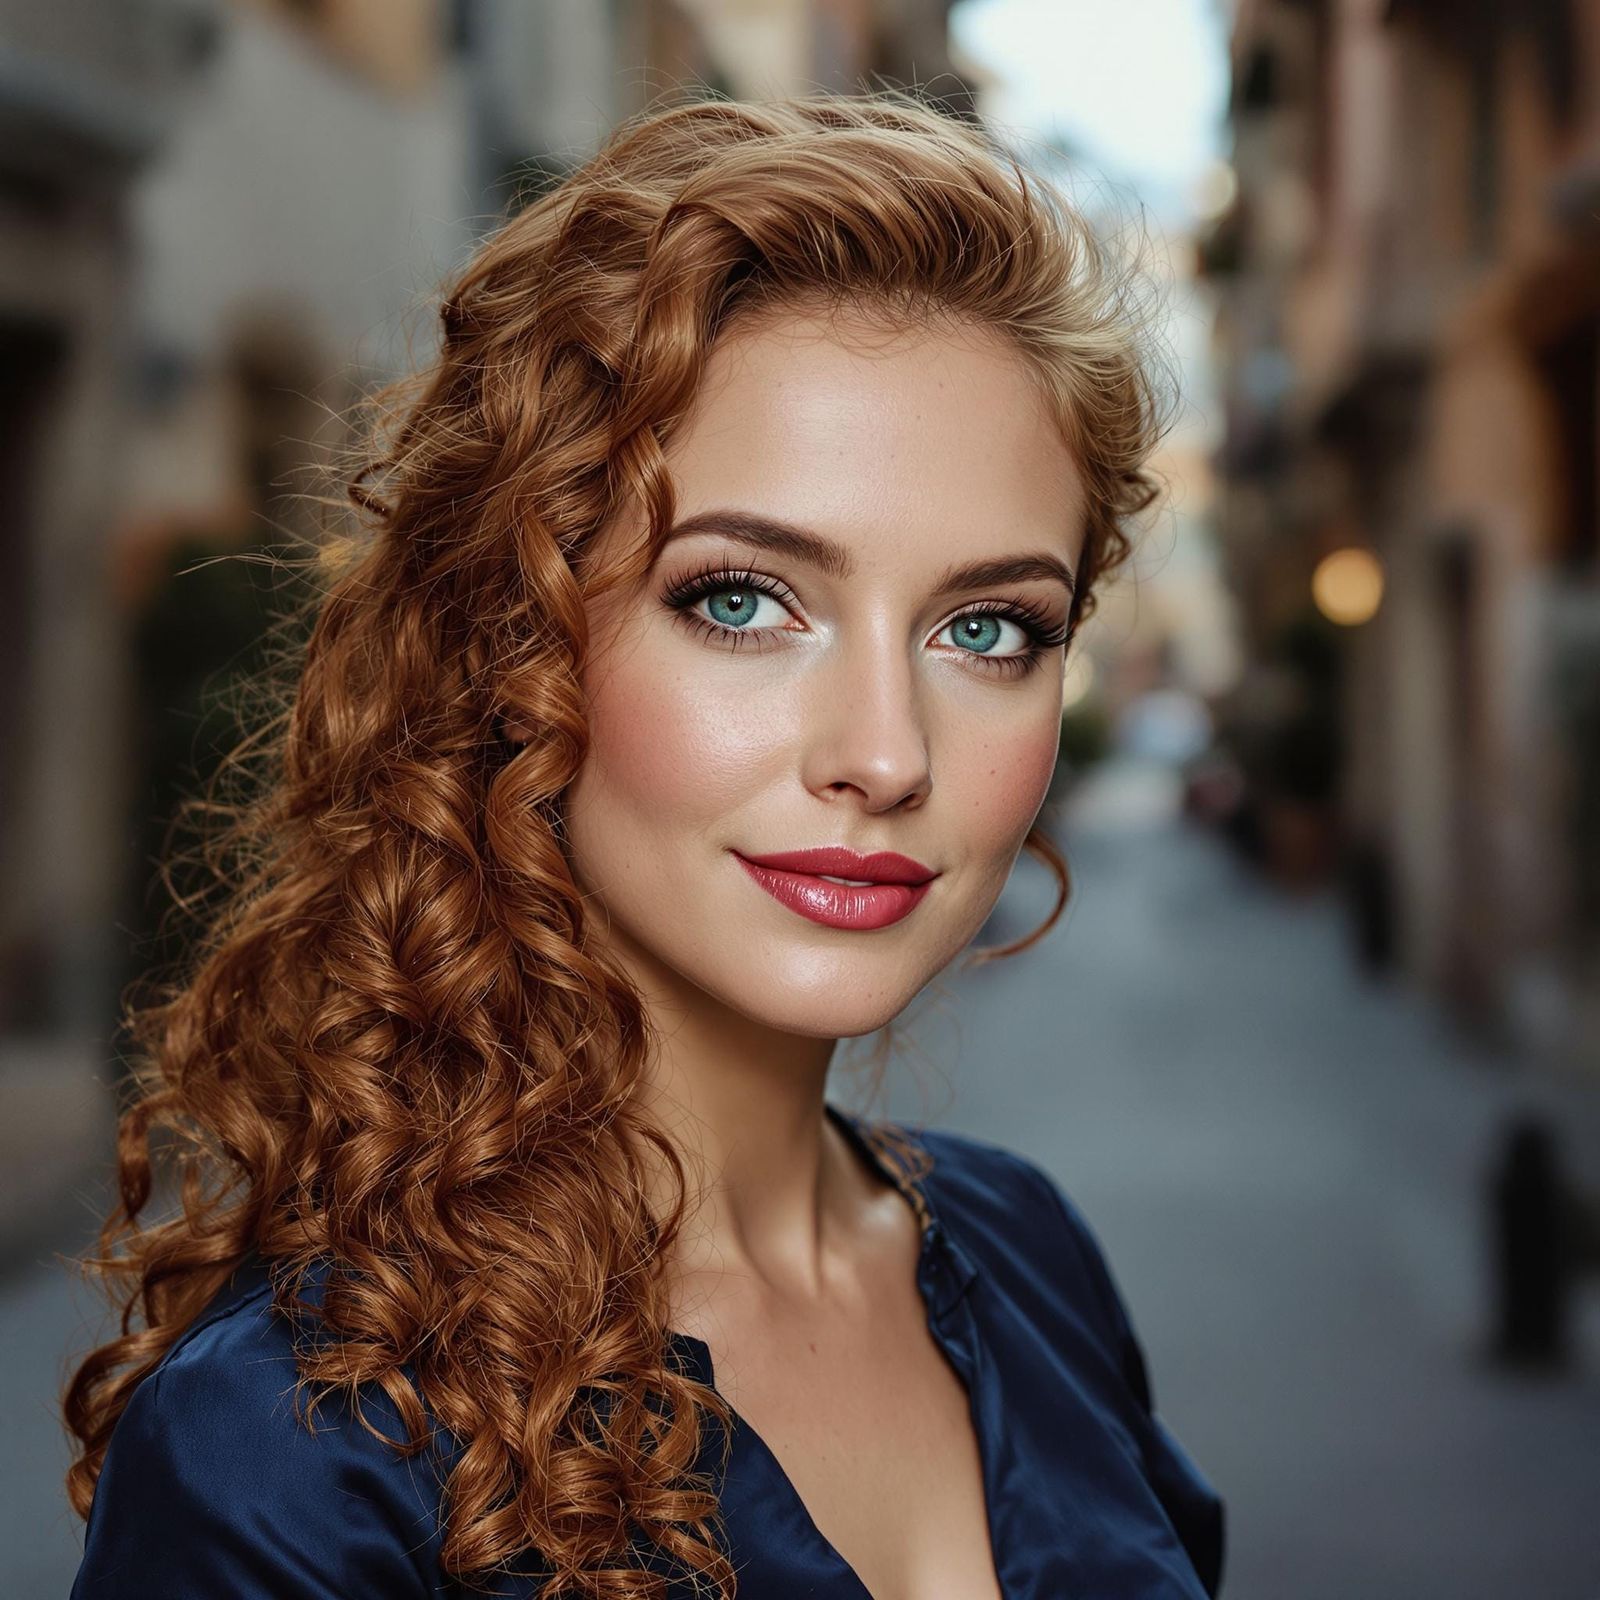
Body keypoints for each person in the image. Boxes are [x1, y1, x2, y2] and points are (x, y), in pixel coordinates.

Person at [62, 89, 1225, 1599]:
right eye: (741, 599)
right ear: (515, 642)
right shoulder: (297, 1451)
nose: (884, 753)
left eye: (988, 628)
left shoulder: (1029, 1255)